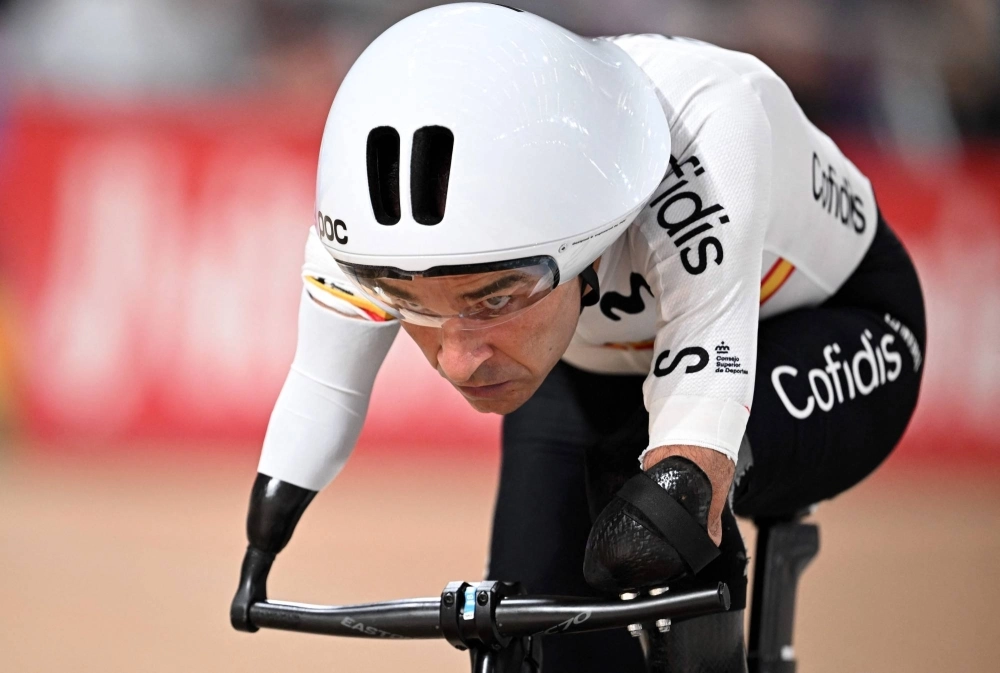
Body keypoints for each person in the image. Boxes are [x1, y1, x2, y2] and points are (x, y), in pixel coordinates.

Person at [230, 4, 926, 672]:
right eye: (412, 305)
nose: (459, 360)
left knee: (652, 499)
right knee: (526, 623)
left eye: (495, 297)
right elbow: (326, 385)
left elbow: (700, 424)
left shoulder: (707, 132)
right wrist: (264, 540)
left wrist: (672, 506)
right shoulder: (368, 224)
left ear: (590, 238)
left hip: (836, 322)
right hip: (592, 358)